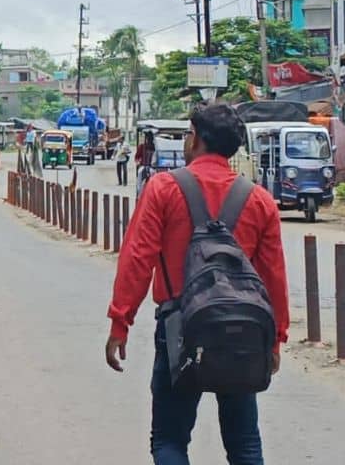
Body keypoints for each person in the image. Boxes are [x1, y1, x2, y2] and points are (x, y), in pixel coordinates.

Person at [105, 104, 289, 465]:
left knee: (170, 440)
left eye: (188, 133)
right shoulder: (259, 201)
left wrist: (119, 322)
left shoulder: (163, 189)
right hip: (244, 330)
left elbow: (137, 259)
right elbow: (273, 278)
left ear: (198, 139)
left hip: (179, 327)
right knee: (244, 444)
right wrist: (275, 339)